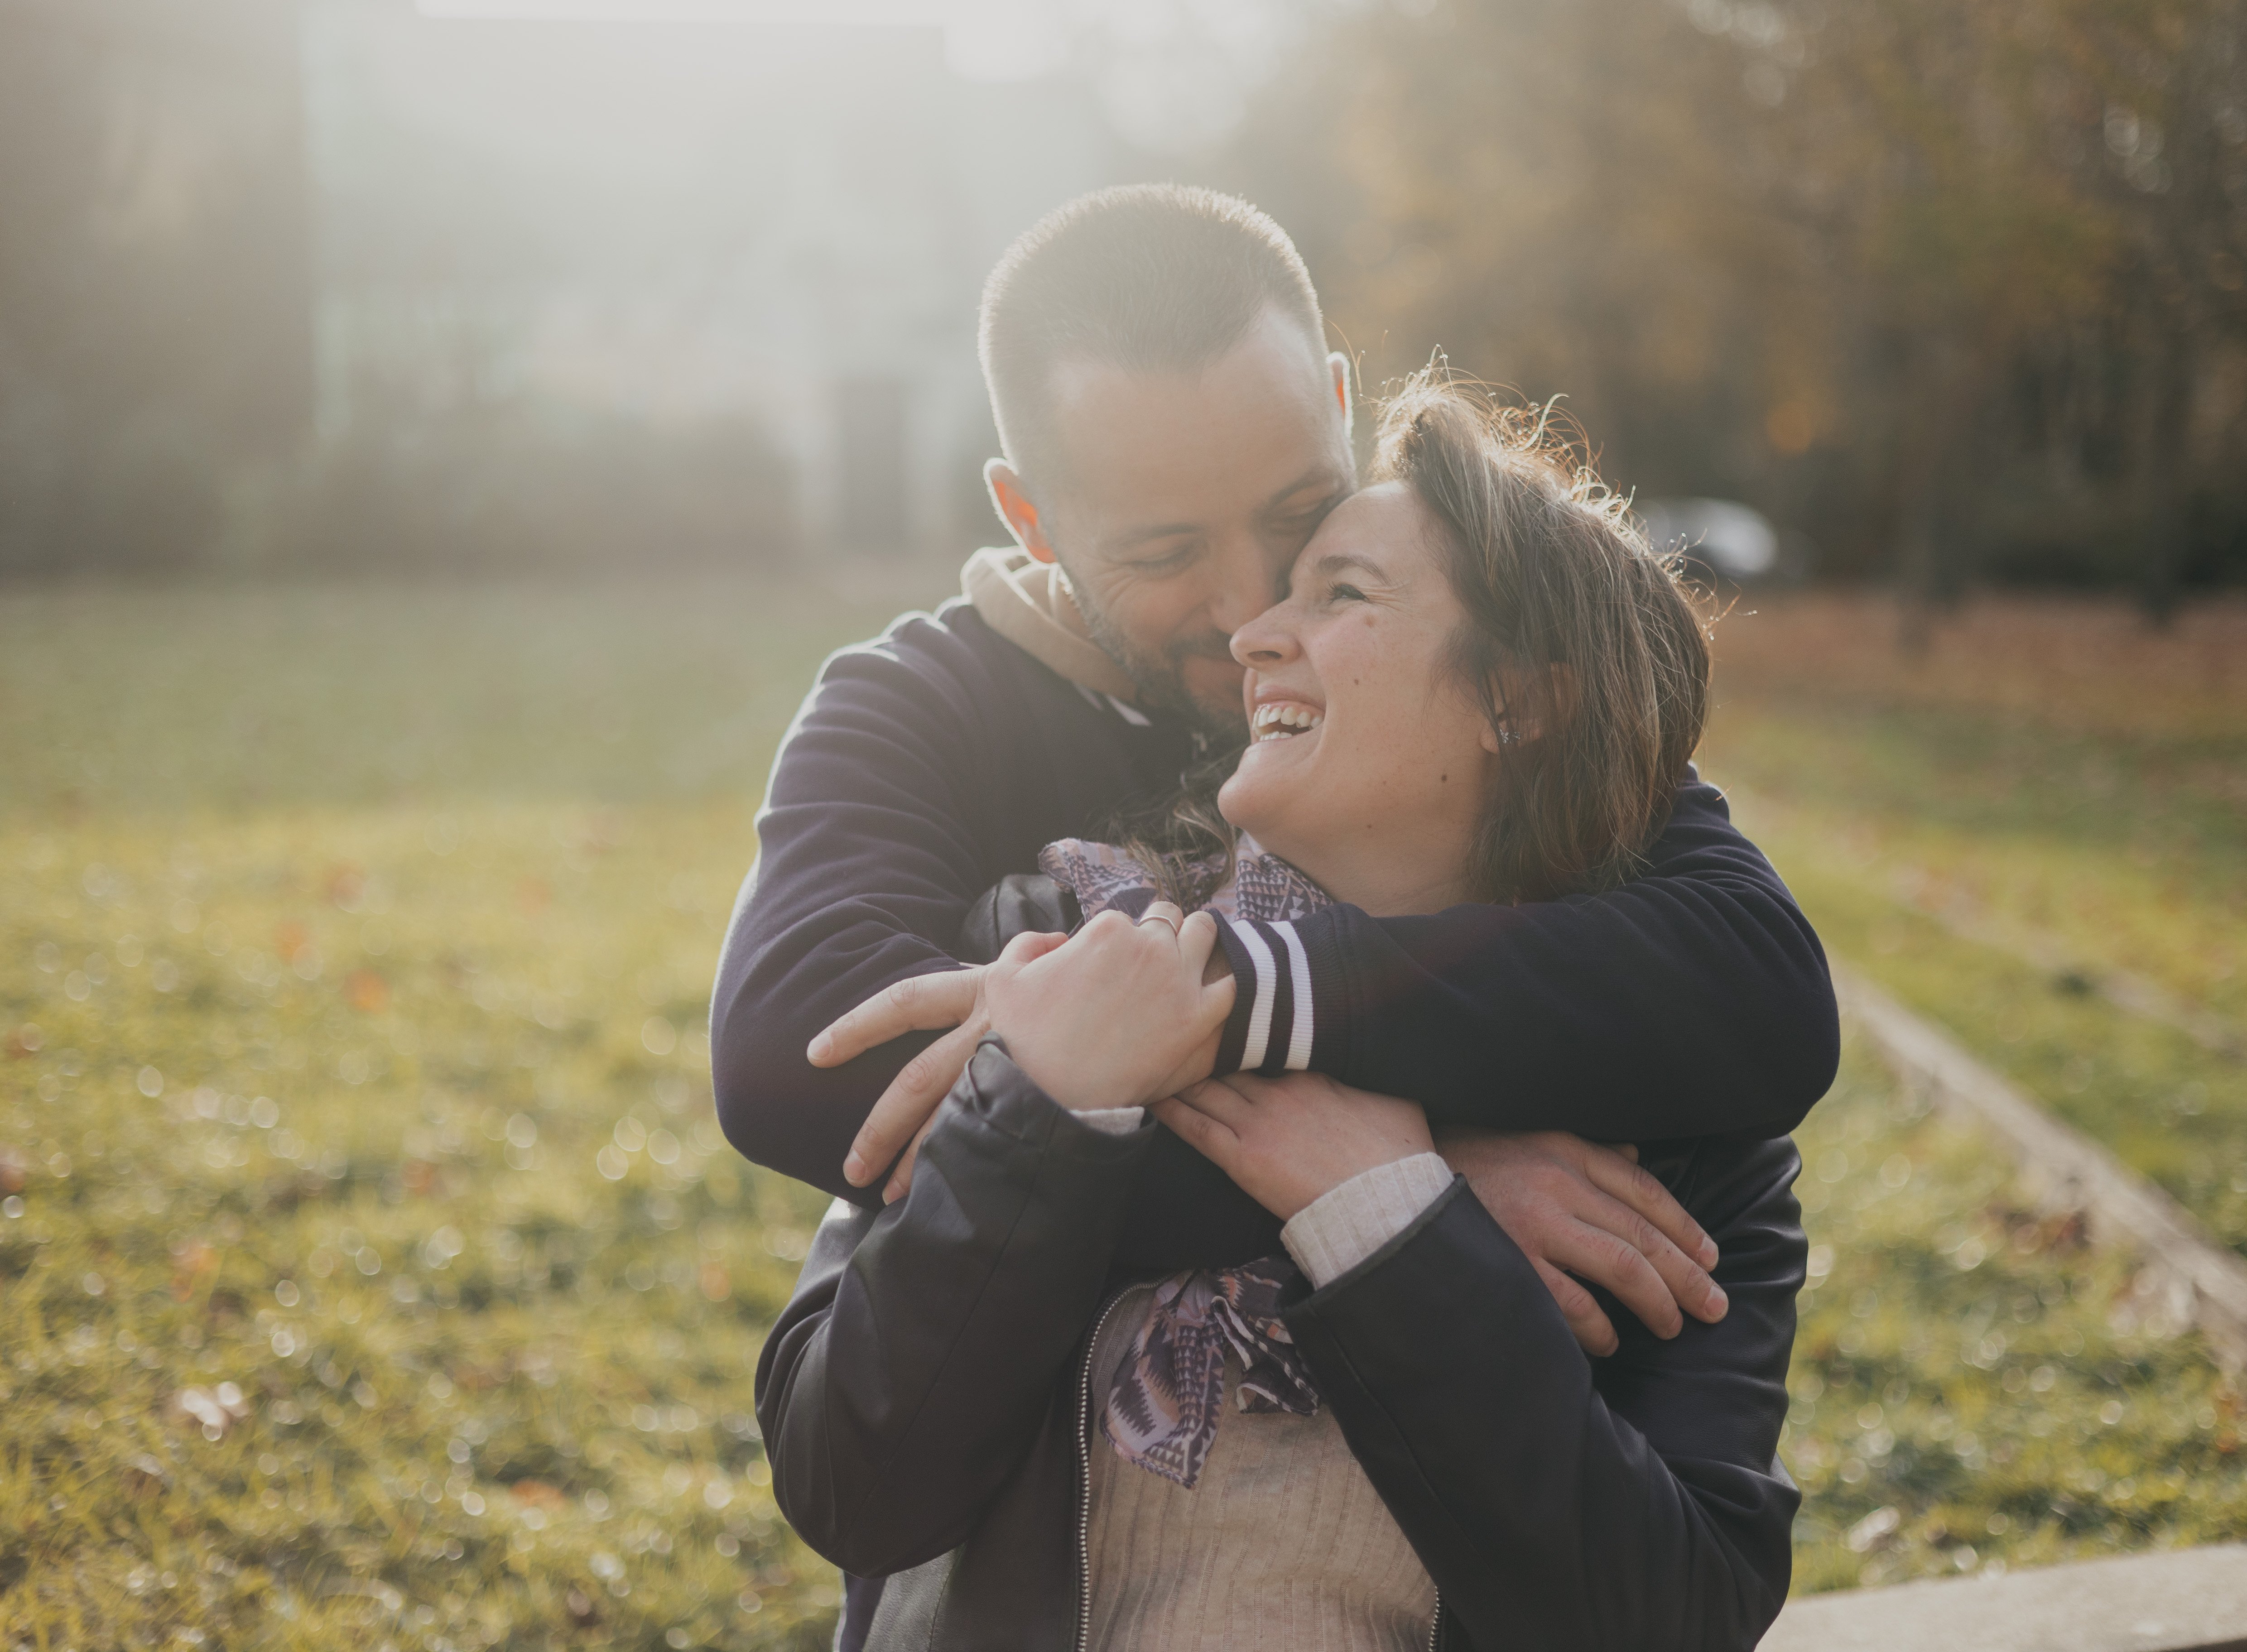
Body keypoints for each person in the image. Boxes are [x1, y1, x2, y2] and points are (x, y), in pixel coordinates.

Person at [756, 371, 1808, 1652]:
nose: (1255, 625)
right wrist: (1062, 1109)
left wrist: (1390, 1217)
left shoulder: (1678, 1114)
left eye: (1341, 591)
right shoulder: (1054, 950)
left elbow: (1677, 1616)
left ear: (1519, 701)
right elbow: (848, 1484)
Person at [709, 184, 1837, 1364]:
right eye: (1165, 552)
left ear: (1339, 406)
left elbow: (1750, 982)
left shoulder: (1452, 660)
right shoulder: (918, 707)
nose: (1250, 609)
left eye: (1298, 510)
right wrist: (1393, 1185)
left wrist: (1203, 1020)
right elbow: (797, 1055)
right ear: (1031, 517)